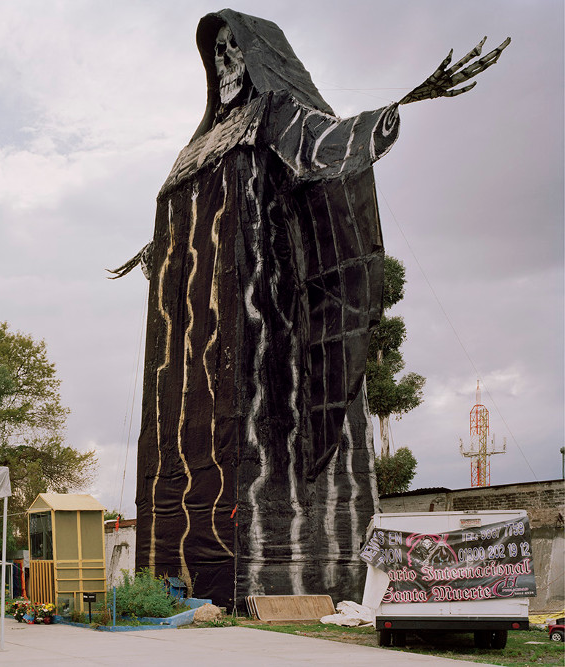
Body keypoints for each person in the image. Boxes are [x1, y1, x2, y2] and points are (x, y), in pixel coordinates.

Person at [110, 9, 508, 608]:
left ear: (259, 53)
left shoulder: (275, 114)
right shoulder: (197, 146)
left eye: (233, 48)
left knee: (269, 441)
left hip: (268, 329)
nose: (224, 62)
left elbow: (328, 142)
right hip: (199, 351)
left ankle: (306, 571)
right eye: (215, 52)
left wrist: (404, 103)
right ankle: (177, 582)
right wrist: (161, 247)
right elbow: (199, 206)